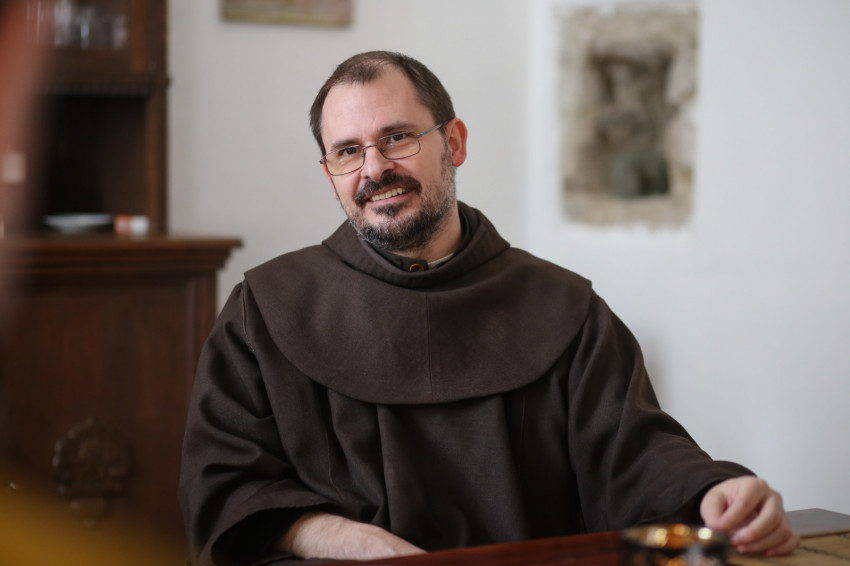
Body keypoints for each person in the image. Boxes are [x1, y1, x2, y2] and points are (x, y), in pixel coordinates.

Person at [178, 51, 799, 566]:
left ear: (454, 142)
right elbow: (226, 486)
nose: (374, 169)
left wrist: (716, 493)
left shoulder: (564, 308)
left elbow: (635, 454)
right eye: (347, 151)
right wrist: (353, 542)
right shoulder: (265, 310)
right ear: (330, 172)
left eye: (397, 138)